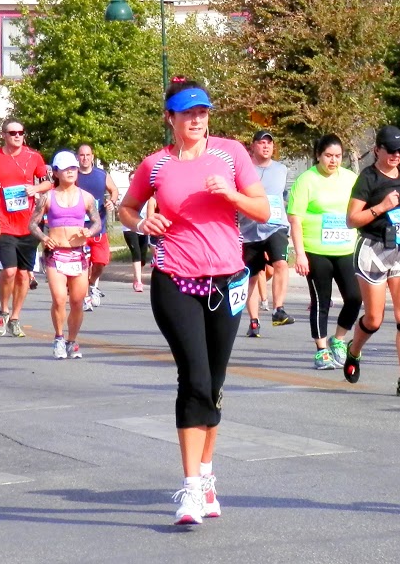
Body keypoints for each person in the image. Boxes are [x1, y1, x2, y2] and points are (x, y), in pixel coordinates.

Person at [118, 76, 267, 525]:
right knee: (195, 378)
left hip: (226, 280)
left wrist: (232, 194)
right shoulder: (156, 165)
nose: (197, 120)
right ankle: (189, 489)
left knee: (215, 384)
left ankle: (206, 475)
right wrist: (144, 224)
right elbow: (127, 208)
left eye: (202, 112)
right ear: (171, 118)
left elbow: (262, 210)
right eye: (188, 113)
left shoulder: (231, 154)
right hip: (175, 278)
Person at [343, 125, 400, 397]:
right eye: (390, 150)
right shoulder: (368, 178)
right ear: (377, 149)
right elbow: (352, 219)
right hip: (373, 249)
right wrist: (381, 207)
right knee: (375, 319)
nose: (395, 155)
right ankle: (354, 351)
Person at [288, 135, 360, 371]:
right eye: (328, 156)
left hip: (346, 249)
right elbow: (295, 219)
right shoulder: (306, 180)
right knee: (321, 300)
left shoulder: (351, 179)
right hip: (315, 249)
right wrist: (300, 254)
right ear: (318, 155)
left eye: (338, 156)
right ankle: (321, 350)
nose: (333, 161)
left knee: (355, 297)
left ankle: (338, 339)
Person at [0, 121, 52, 339]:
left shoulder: (34, 156)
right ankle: (3, 310)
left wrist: (35, 188)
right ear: (4, 135)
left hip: (29, 223)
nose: (17, 136)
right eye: (13, 133)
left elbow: (48, 182)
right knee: (9, 271)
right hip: (3, 222)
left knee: (23, 275)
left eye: (21, 132)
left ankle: (15, 318)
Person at [30, 152, 103, 359]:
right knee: (60, 299)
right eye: (66, 168)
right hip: (56, 254)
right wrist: (44, 238)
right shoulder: (48, 197)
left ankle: (72, 340)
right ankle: (59, 338)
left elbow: (97, 222)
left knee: (78, 301)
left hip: (78, 254)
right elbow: (33, 223)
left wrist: (90, 231)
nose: (71, 171)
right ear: (56, 172)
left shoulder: (86, 197)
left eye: (73, 168)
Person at [241, 131, 293, 337]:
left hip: (275, 225)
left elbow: (285, 196)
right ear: (253, 146)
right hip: (249, 230)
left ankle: (278, 310)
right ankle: (254, 321)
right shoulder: (244, 170)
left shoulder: (282, 169)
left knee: (280, 264)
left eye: (269, 144)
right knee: (252, 277)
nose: (266, 147)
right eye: (261, 143)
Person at [74, 144, 118, 309]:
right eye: (82, 155)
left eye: (88, 155)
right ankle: (85, 297)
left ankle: (92, 284)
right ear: (78, 157)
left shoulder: (101, 174)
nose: (85, 158)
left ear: (92, 157)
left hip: (99, 228)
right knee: (82, 264)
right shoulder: (73, 175)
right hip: (79, 228)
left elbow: (114, 190)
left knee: (100, 263)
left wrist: (111, 202)